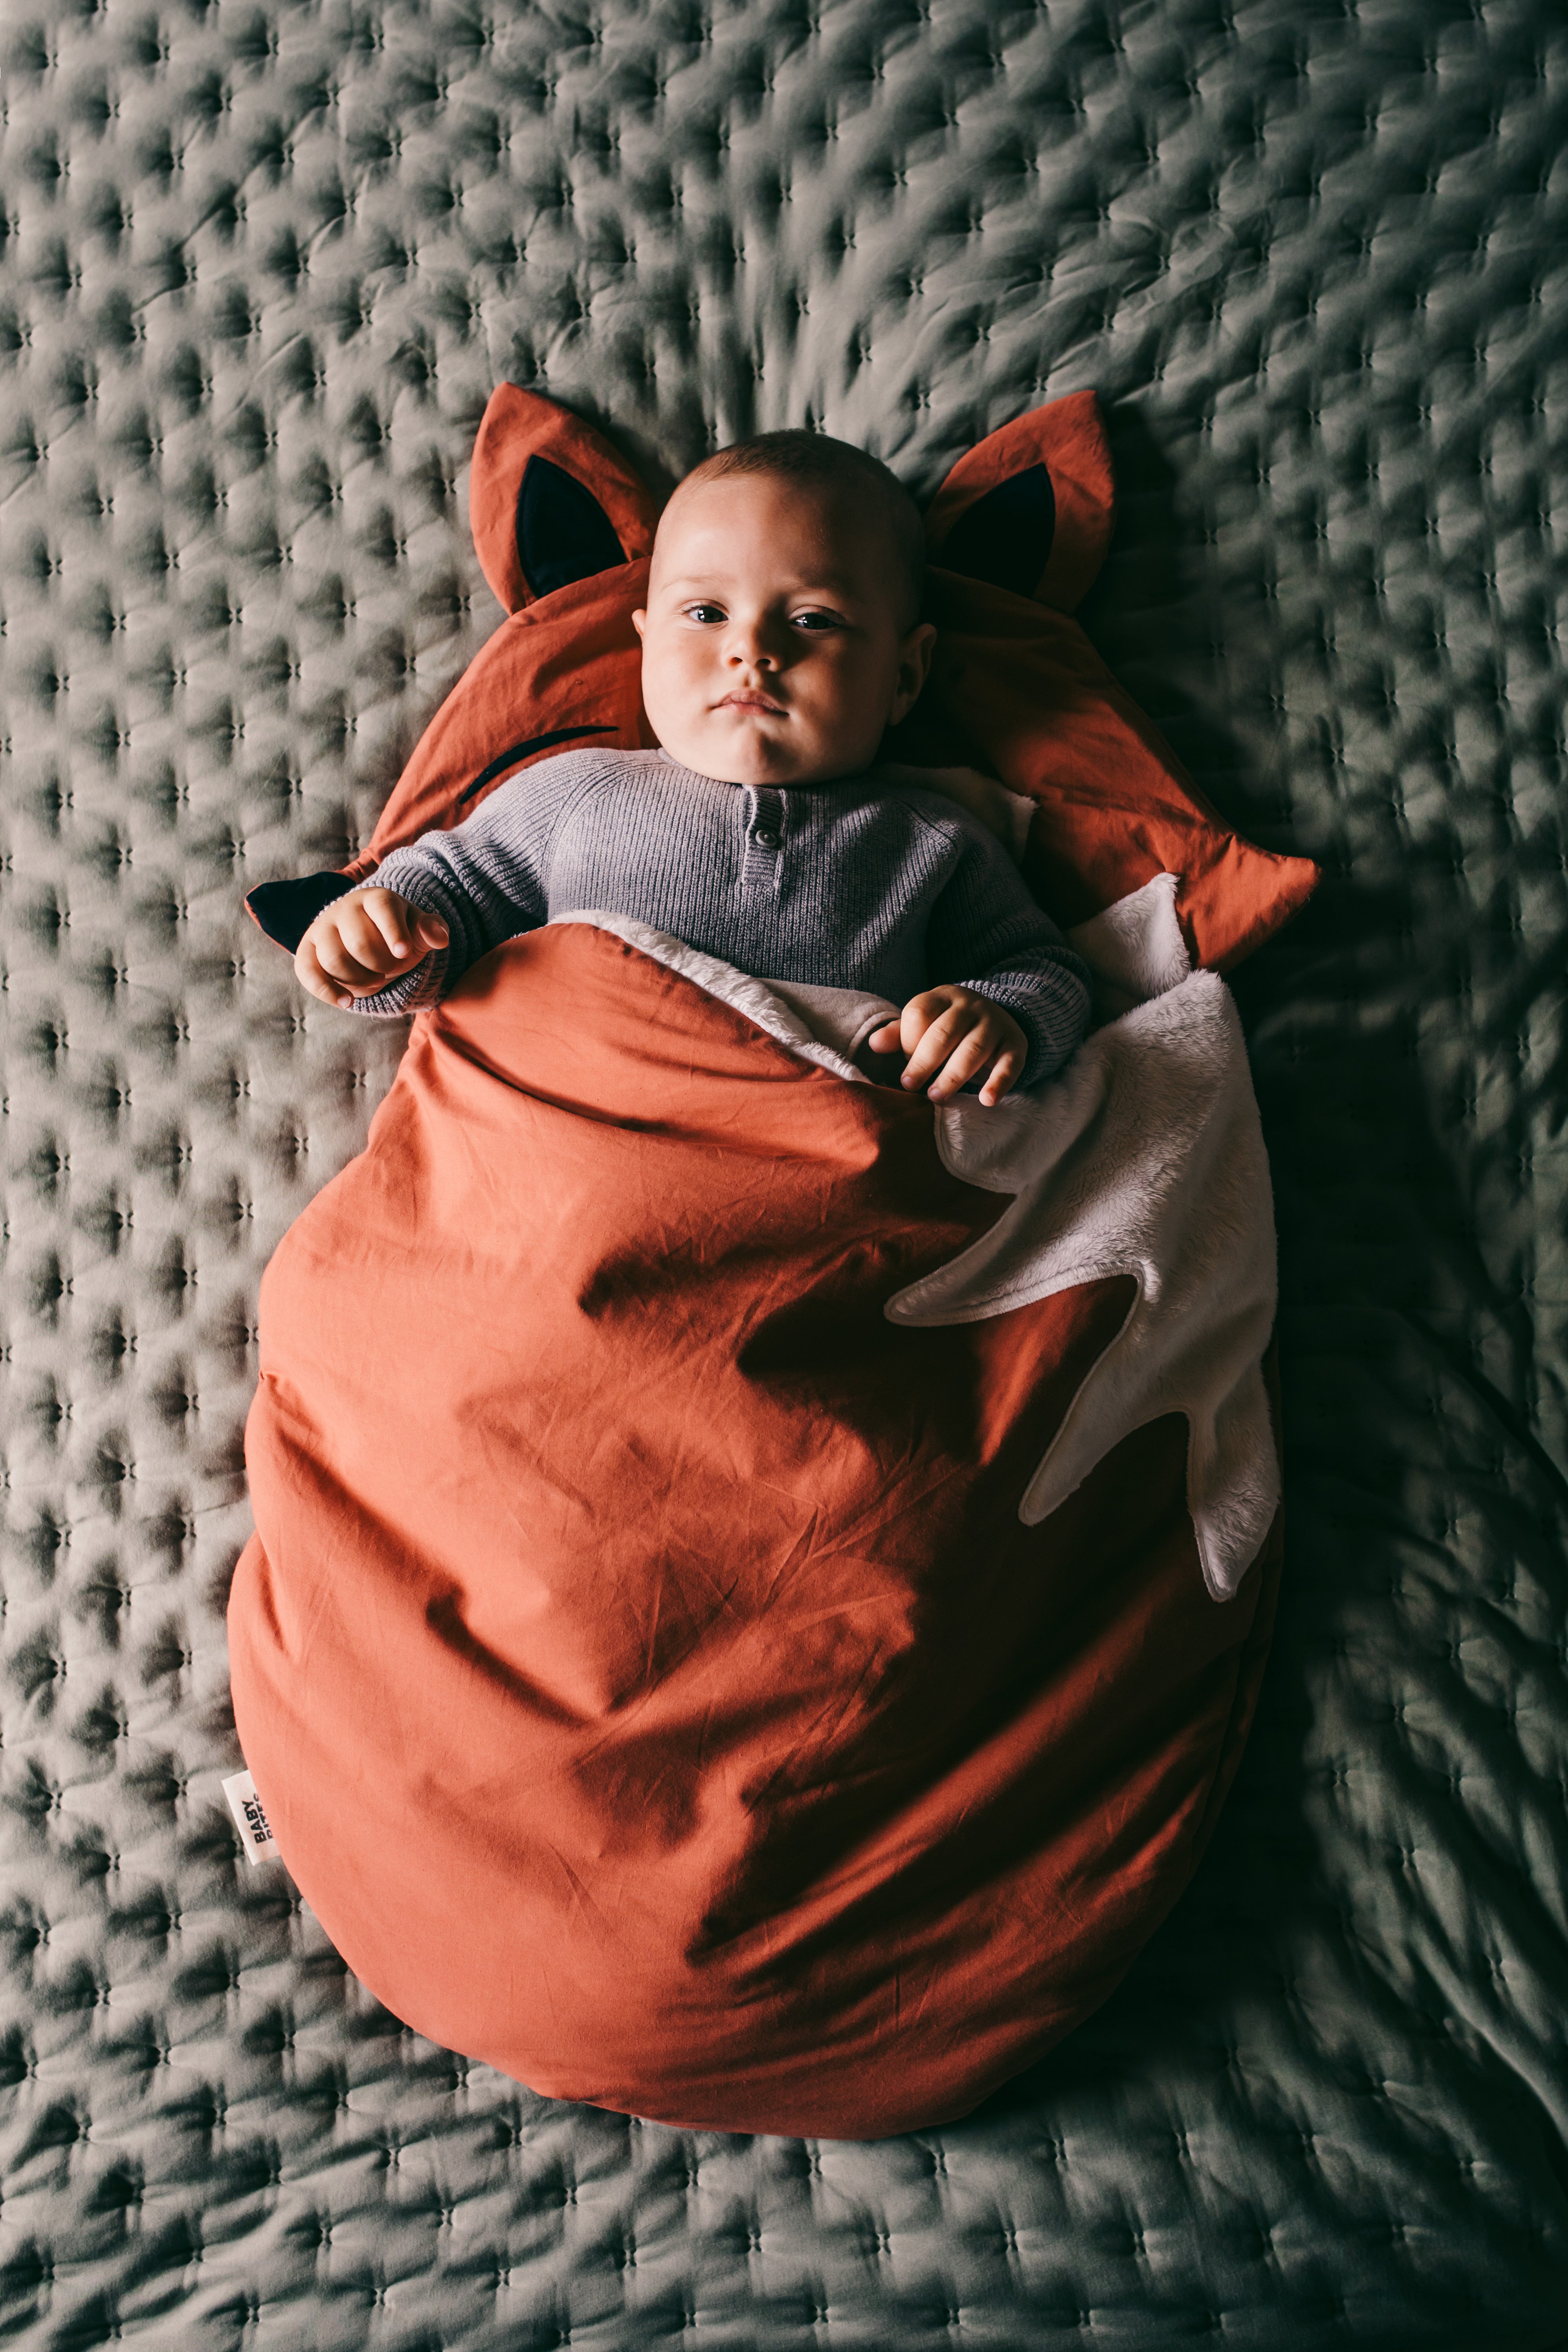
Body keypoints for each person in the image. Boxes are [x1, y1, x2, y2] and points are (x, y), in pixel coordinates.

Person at [291, 432, 1091, 1106]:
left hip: (809, 1170)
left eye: (813, 619)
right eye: (706, 614)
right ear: (644, 644)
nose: (753, 650)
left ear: (905, 677)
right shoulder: (575, 792)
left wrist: (1003, 1018)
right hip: (577, 1137)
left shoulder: (933, 838)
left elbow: (1043, 969)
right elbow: (449, 903)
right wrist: (377, 936)